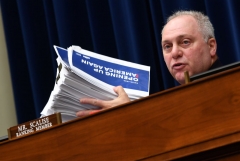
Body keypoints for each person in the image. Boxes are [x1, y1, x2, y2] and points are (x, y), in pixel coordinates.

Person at [76, 10, 221, 117]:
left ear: (211, 46)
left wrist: (130, 114)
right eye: (167, 46)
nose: (175, 53)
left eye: (185, 42)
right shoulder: (171, 105)